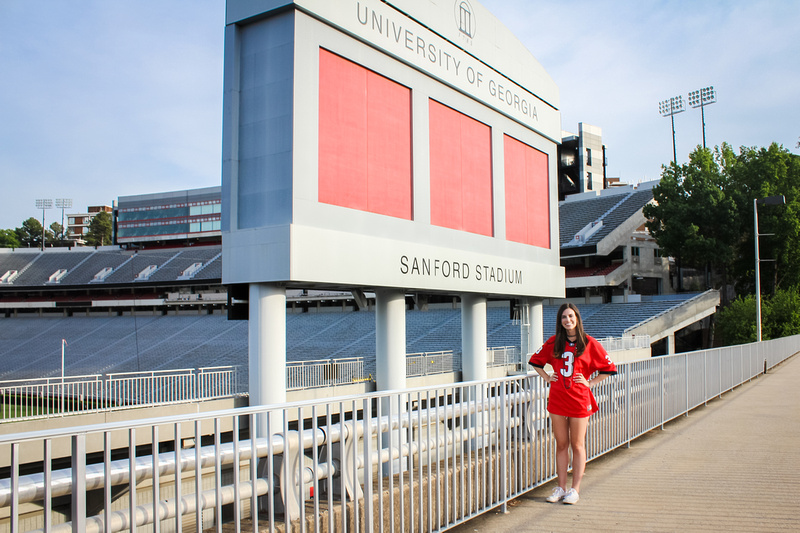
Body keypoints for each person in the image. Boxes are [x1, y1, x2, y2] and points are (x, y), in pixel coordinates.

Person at [528, 302, 617, 504]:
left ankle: (575, 489)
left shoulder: (589, 342)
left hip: (579, 399)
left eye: (571, 316)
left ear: (577, 318)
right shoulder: (554, 342)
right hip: (558, 397)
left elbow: (609, 367)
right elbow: (535, 362)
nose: (567, 320)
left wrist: (590, 382)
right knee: (561, 444)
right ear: (560, 321)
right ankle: (561, 487)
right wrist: (546, 377)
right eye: (563, 317)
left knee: (577, 444)